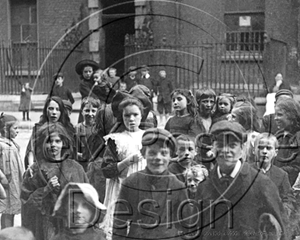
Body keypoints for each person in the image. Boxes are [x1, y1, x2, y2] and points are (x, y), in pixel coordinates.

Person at [195, 120, 286, 240]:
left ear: (242, 149)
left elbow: (277, 231)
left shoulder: (261, 184)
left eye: (232, 145)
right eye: (220, 145)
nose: (225, 150)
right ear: (213, 148)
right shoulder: (205, 187)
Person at [112, 128, 193, 239]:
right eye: (152, 153)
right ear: (144, 154)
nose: (158, 158)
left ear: (171, 156)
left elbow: (187, 225)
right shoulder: (131, 183)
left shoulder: (177, 186)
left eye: (164, 153)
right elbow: (119, 224)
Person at [21, 122, 89, 240]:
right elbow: (26, 205)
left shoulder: (75, 168)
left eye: (57, 141)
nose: (53, 145)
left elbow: (88, 199)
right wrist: (46, 190)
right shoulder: (34, 171)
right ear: (42, 144)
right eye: (48, 141)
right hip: (43, 227)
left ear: (64, 143)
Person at [100, 97, 146, 239]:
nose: (131, 119)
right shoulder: (116, 139)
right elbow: (106, 170)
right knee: (121, 225)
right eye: (127, 115)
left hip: (144, 186)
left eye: (135, 115)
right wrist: (127, 161)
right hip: (122, 187)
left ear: (141, 116)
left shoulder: (149, 136)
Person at [252, 133, 295, 218]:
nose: (264, 151)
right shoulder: (245, 171)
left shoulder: (281, 175)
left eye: (268, 148)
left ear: (275, 152)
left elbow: (289, 200)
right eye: (260, 147)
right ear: (254, 150)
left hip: (274, 219)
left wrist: (282, 212)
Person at [24, 96, 75, 168]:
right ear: (46, 110)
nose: (54, 112)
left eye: (57, 109)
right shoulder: (38, 128)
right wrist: (31, 165)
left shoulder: (67, 129)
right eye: (51, 109)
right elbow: (31, 150)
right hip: (42, 167)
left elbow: (71, 152)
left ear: (61, 112)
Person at [0, 114, 24, 229]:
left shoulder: (12, 144)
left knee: (12, 210)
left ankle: (8, 234)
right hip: (6, 183)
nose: (18, 131)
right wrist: (2, 177)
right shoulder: (1, 145)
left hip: (14, 182)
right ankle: (5, 234)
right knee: (7, 211)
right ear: (5, 129)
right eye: (15, 128)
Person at [273, 98, 300, 185]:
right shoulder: (278, 134)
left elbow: (296, 168)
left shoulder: (297, 137)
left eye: (280, 115)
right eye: (275, 115)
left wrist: (273, 172)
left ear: (292, 116)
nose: (275, 118)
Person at [75, 97, 101, 171]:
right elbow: (74, 149)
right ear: (82, 112)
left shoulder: (100, 129)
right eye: (87, 111)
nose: (90, 114)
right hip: (81, 166)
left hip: (96, 167)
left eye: (93, 111)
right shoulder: (77, 129)